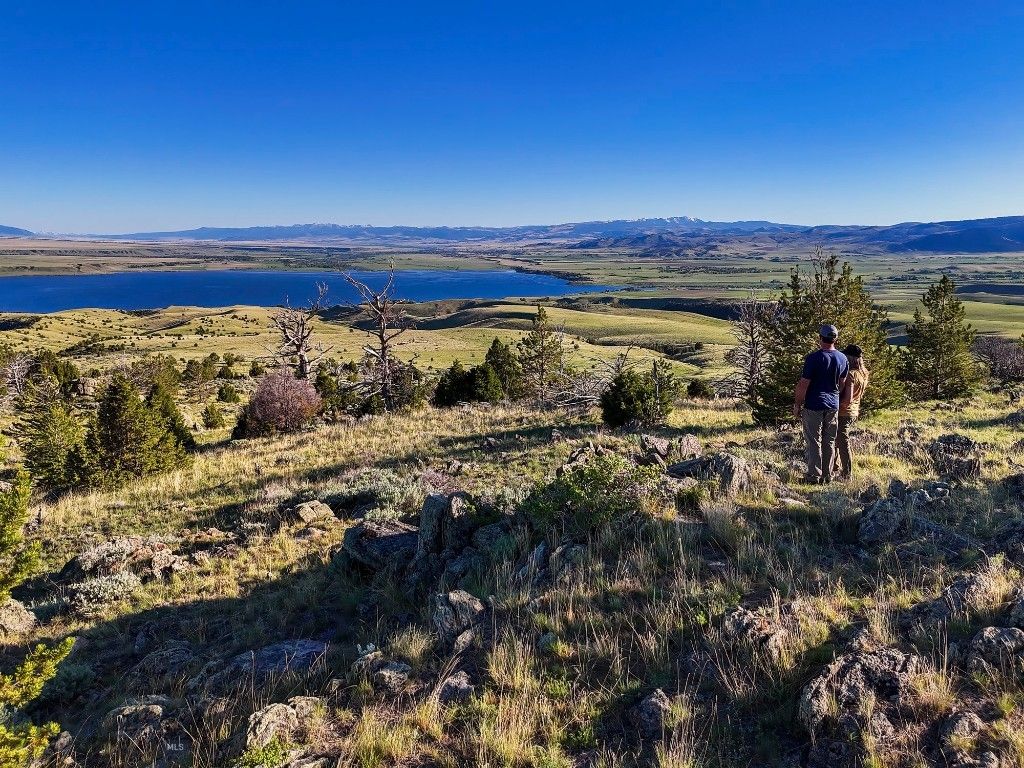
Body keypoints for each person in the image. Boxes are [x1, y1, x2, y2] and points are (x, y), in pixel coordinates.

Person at [793, 324, 849, 484]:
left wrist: (797, 404)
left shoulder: (813, 358)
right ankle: (827, 475)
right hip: (833, 404)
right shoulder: (842, 358)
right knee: (829, 440)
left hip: (814, 404)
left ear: (820, 338)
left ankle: (813, 475)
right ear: (835, 339)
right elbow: (842, 382)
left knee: (813, 440)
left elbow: (804, 384)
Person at [834, 344, 870, 479]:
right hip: (854, 411)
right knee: (839, 440)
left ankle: (846, 472)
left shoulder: (850, 374)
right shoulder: (863, 374)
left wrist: (836, 406)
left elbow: (847, 398)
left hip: (844, 412)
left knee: (842, 442)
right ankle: (837, 467)